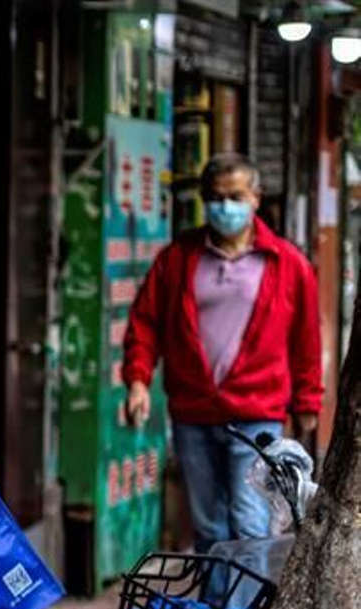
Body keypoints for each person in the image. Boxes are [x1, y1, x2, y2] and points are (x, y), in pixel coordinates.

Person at [123, 152, 323, 550]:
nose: (224, 206)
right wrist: (138, 380)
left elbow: (306, 340)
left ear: (255, 198)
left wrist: (308, 402)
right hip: (192, 412)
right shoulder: (178, 259)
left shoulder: (288, 264)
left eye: (234, 196)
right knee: (208, 529)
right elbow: (145, 322)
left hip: (257, 414)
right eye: (215, 197)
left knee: (250, 524)